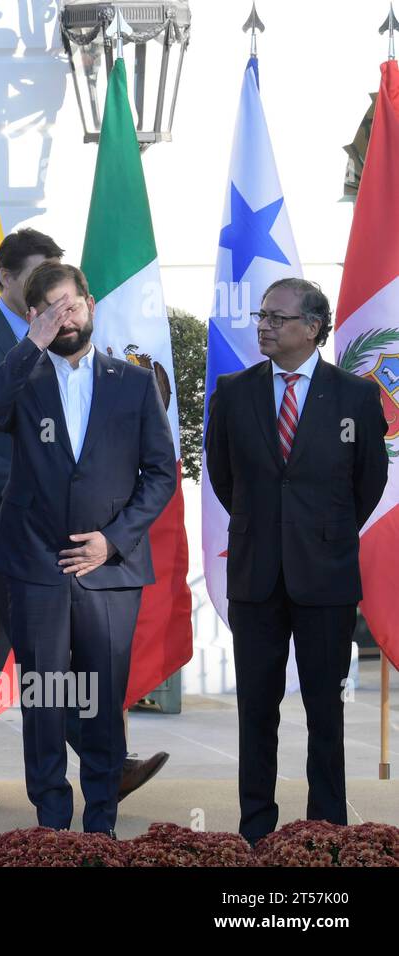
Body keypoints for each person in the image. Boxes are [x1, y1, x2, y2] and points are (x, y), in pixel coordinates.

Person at [0, 230, 168, 810]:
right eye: (43, 293)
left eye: (69, 298)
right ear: (10, 284)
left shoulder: (124, 380)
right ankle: (79, 781)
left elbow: (155, 470)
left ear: (88, 303)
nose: (60, 310)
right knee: (40, 670)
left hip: (92, 549)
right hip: (11, 531)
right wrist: (37, 490)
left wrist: (101, 527)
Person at [205, 278, 388, 845]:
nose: (263, 324)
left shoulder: (354, 397)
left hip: (325, 577)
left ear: (312, 328)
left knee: (324, 714)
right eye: (261, 315)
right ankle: (256, 833)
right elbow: (223, 476)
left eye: (277, 317)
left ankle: (324, 832)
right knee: (256, 712)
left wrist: (324, 534)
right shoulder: (233, 392)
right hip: (256, 576)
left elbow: (369, 481)